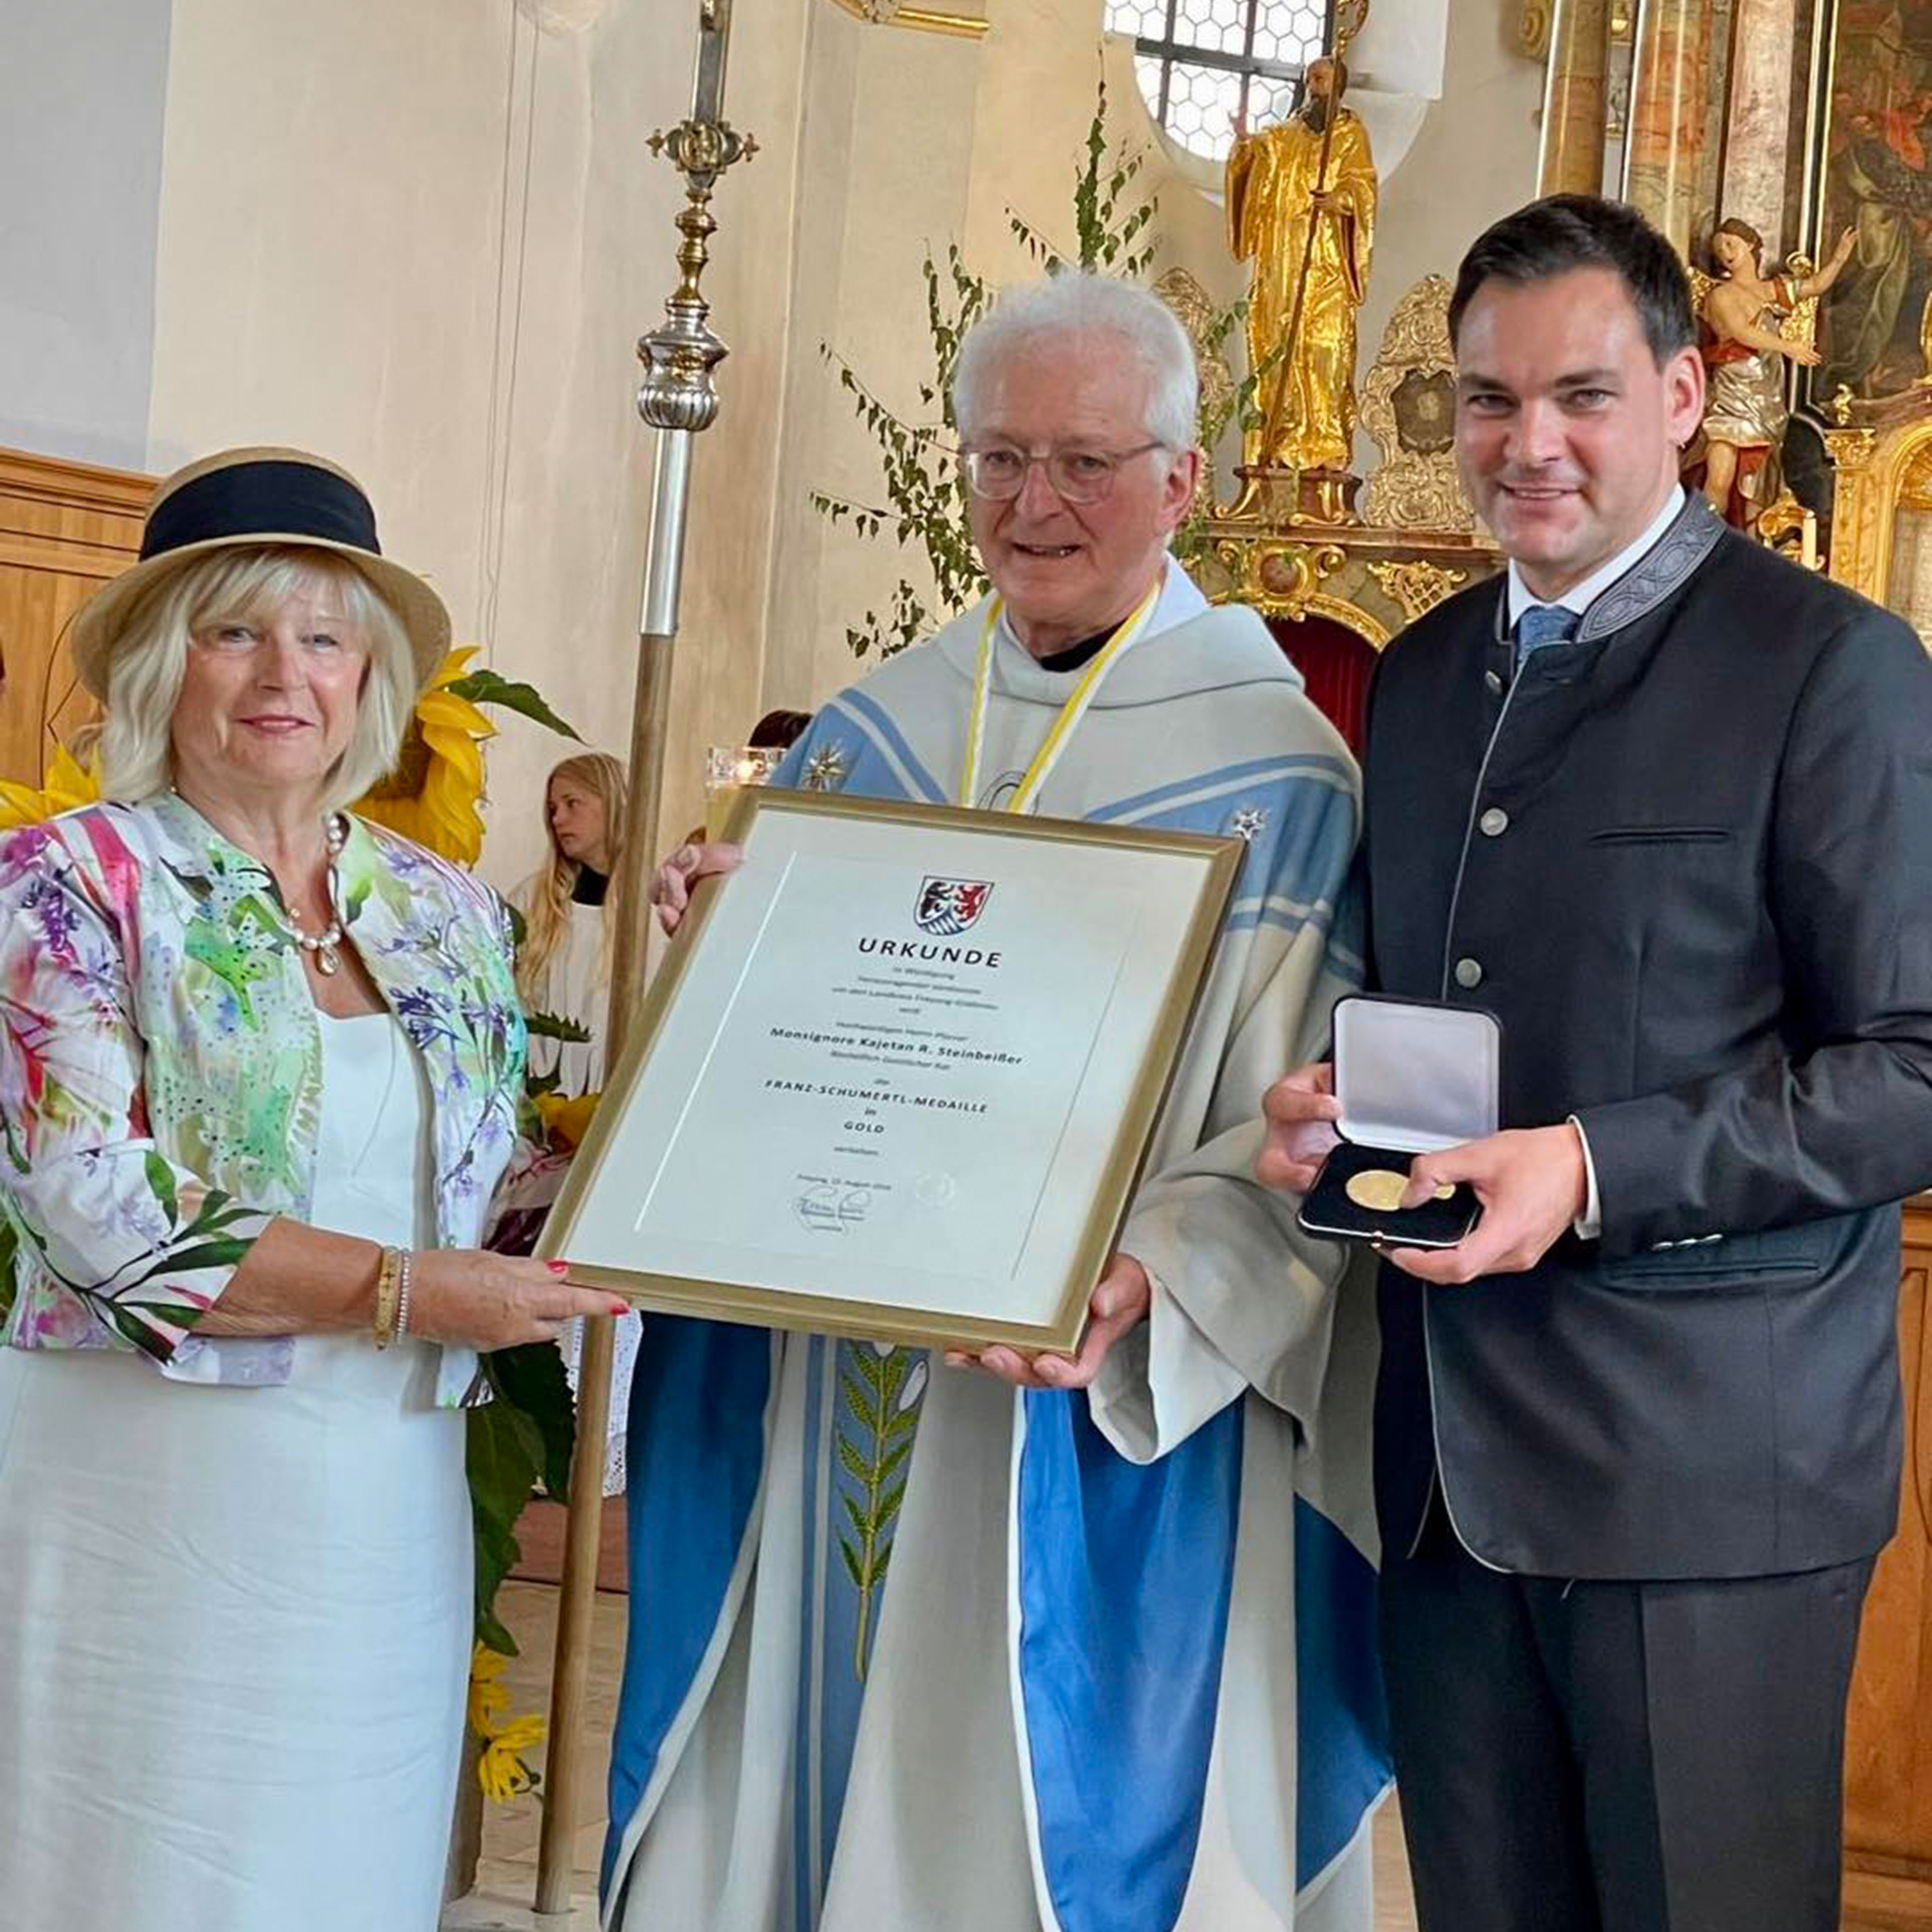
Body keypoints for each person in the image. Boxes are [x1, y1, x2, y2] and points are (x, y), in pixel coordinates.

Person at [610, 273, 1387, 1930]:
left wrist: (1151, 1278)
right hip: (835, 1389)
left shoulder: (1282, 775)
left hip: (1089, 1404)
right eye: (1000, 458)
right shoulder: (866, 740)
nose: (1036, 505)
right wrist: (729, 977)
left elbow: (1307, 1125)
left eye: (1089, 462)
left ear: (1185, 481)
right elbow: (762, 1073)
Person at [1257, 195, 1932, 1932]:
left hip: (1709, 1478)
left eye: (1581, 396)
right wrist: (1339, 1120)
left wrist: (1594, 1166)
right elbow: (1450, 1023)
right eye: (1488, 400)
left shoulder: (1832, 669)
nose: (1526, 444)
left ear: (1687, 396)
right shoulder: (1414, 682)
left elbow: (1914, 1070)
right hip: (1446, 1475)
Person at [0, 446, 622, 1931]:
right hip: (149, 1487)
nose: (285, 671)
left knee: (345, 1862)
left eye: (326, 635)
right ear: (166, 661)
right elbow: (95, 1203)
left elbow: (491, 1183)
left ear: (372, 675)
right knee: (144, 1860)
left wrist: (648, 1165)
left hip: (382, 1505)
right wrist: (409, 1292)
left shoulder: (446, 912)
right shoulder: (66, 883)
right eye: (237, 630)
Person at [1226, 54, 1378, 475]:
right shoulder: (1286, 134)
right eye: (1310, 78)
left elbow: (1362, 186)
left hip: (1326, 262)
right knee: (1280, 345)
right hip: (1285, 262)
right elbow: (1258, 155)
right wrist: (1243, 147)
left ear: (1339, 85)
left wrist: (1343, 201)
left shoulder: (1351, 135)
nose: (1313, 85)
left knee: (1324, 349)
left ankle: (1325, 444)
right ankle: (1281, 440)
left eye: (1322, 78)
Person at [1696, 216, 1855, 526]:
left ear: (1751, 245)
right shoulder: (1721, 296)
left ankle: (1754, 550)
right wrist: (1789, 347)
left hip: (1766, 397)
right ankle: (1699, 546)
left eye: (1731, 244)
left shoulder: (1771, 290)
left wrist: (1839, 258)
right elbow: (1742, 332)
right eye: (1719, 249)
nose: (1725, 252)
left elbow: (1817, 285)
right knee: (1720, 475)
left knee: (1760, 489)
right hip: (1731, 396)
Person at [514, 749, 629, 1095]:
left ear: (611, 805)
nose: (558, 819)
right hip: (539, 1097)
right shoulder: (529, 901)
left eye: (571, 803)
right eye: (552, 809)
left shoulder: (650, 906)